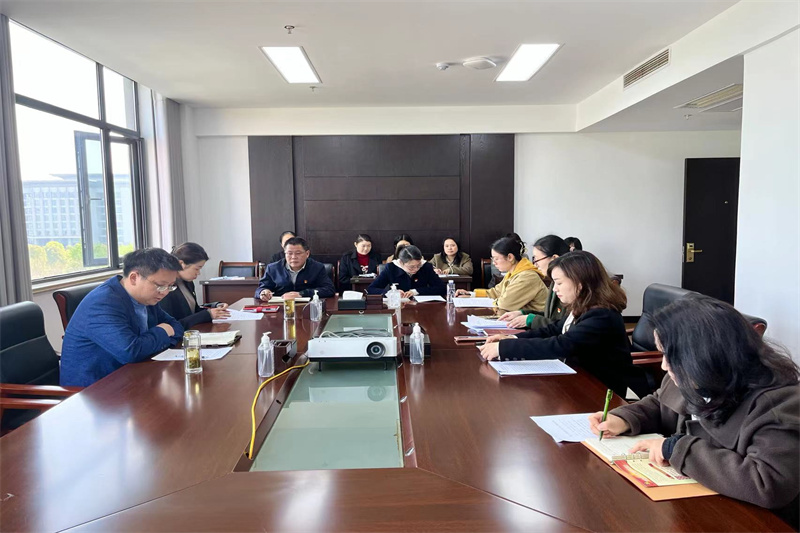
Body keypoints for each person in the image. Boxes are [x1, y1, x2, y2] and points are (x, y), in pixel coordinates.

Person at [589, 296, 799, 526]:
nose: (664, 366)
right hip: (695, 507)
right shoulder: (691, 377)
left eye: (670, 356)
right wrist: (624, 418)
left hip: (753, 522)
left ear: (703, 356)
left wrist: (676, 448)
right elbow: (659, 403)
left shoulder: (779, 403)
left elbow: (769, 484)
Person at [478, 250, 633, 396]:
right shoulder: (582, 305)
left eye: (559, 283)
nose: (554, 290)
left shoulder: (602, 315)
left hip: (599, 391)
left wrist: (504, 348)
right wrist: (512, 338)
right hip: (578, 378)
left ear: (580, 283)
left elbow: (562, 344)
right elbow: (555, 329)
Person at [60, 248, 184, 387]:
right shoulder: (103, 303)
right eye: (161, 286)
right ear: (134, 278)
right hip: (93, 390)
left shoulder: (146, 298)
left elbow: (176, 327)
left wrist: (160, 336)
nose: (165, 292)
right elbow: (131, 352)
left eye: (170, 286)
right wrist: (163, 332)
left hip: (131, 378)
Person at [458, 236, 547, 313]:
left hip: (534, 323)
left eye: (496, 259)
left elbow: (505, 304)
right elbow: (496, 292)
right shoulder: (513, 273)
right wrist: (471, 294)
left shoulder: (527, 276)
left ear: (510, 257)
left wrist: (495, 302)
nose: (494, 263)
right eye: (492, 259)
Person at [499, 235, 570, 329]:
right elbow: (549, 316)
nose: (535, 265)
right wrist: (523, 313)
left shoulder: (569, 285)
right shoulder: (554, 282)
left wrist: (531, 319)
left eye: (537, 260)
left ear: (554, 258)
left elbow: (563, 326)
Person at [159, 242, 231, 328]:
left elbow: (194, 310)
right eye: (197, 269)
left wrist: (215, 306)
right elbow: (171, 325)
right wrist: (208, 314)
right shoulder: (166, 289)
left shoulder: (188, 282)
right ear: (181, 264)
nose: (198, 273)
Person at [256, 237, 335, 300]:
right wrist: (263, 292)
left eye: (298, 253)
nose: (293, 257)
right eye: (289, 253)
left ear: (307, 254)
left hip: (307, 307)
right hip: (280, 306)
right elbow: (260, 289)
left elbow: (329, 290)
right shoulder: (273, 268)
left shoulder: (317, 267)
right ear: (284, 253)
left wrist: (302, 294)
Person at [367, 245, 445, 297]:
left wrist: (416, 291)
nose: (416, 269)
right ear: (401, 263)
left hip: (421, 307)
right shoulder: (391, 268)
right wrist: (391, 293)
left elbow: (441, 288)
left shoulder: (426, 266)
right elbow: (371, 289)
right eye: (411, 267)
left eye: (418, 265)